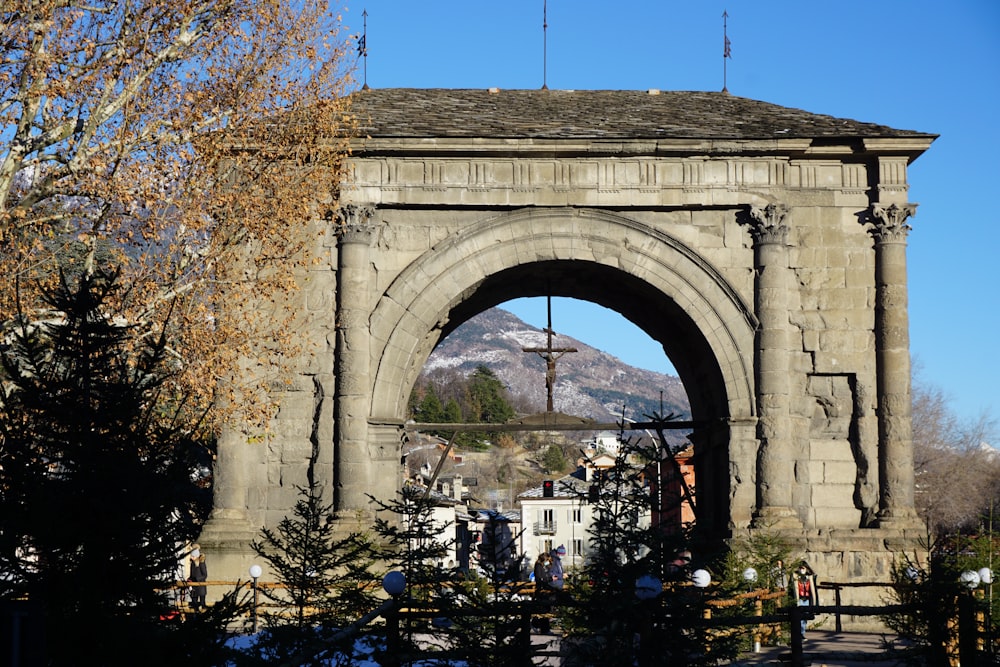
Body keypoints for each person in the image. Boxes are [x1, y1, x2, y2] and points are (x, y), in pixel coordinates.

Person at [794, 562, 817, 636]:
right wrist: (797, 601)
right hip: (800, 599)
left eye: (803, 568)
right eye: (800, 568)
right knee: (800, 617)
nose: (802, 570)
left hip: (806, 599)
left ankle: (802, 632)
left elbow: (813, 590)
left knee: (805, 617)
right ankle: (801, 633)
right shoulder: (796, 576)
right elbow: (796, 589)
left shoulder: (809, 577)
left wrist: (814, 603)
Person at [533, 552, 553, 633]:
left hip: (546, 591)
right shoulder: (538, 566)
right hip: (541, 591)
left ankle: (543, 628)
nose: (548, 561)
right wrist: (551, 579)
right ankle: (540, 626)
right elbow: (540, 578)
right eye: (547, 560)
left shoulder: (544, 566)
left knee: (546, 609)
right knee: (543, 610)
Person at [188, 544, 208, 611]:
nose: (191, 558)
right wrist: (190, 579)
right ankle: (195, 608)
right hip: (194, 585)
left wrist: (198, 579)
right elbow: (191, 573)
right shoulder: (192, 564)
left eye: (192, 556)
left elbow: (205, 575)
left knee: (202, 600)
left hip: (200, 585)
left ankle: (202, 607)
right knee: (194, 599)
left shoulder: (201, 563)